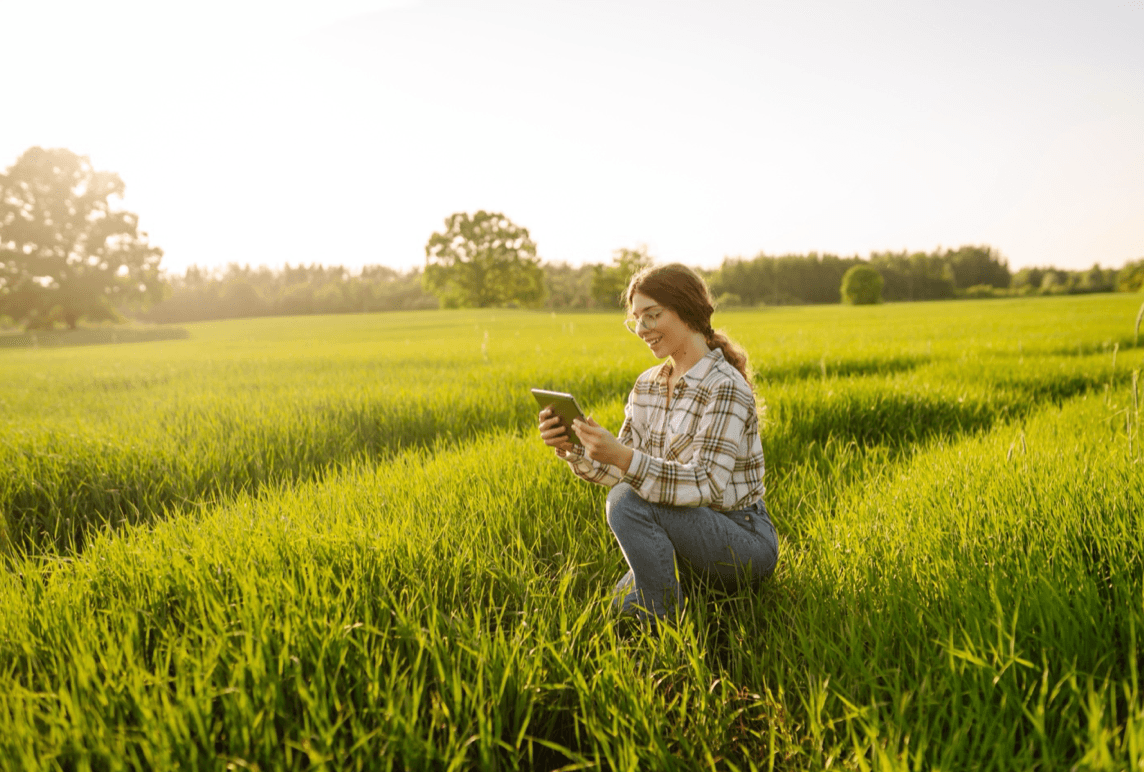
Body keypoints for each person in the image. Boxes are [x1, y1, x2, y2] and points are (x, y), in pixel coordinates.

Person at [538, 263, 778, 624]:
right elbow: (619, 469)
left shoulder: (724, 386)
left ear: (687, 310)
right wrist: (575, 447)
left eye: (653, 315)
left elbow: (706, 484)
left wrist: (624, 457)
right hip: (685, 536)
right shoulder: (646, 386)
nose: (642, 329)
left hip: (740, 538)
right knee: (612, 612)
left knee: (625, 501)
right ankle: (680, 596)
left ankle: (664, 622)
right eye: (636, 318)